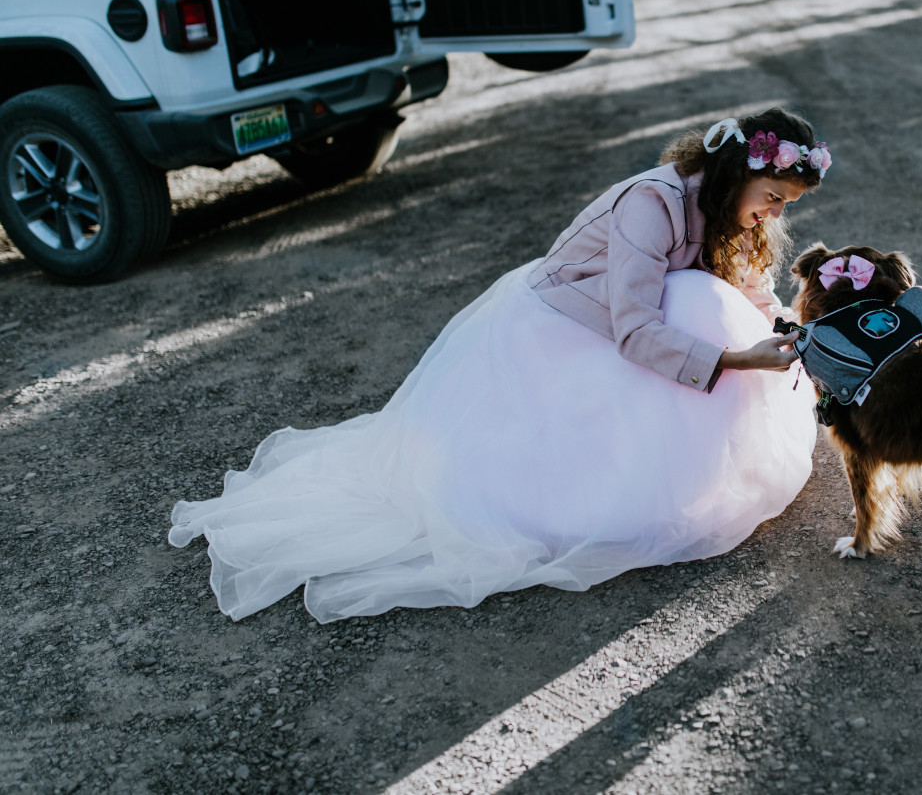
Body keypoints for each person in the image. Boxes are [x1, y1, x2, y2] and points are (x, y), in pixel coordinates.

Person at [169, 107, 833, 623]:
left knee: (704, 302)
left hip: (640, 322)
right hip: (564, 321)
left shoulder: (735, 214)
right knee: (688, 310)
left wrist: (781, 330)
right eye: (773, 195)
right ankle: (610, 483)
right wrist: (737, 357)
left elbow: (748, 293)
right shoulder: (652, 203)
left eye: (785, 205)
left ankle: (689, 466)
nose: (774, 213)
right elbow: (635, 329)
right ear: (733, 173)